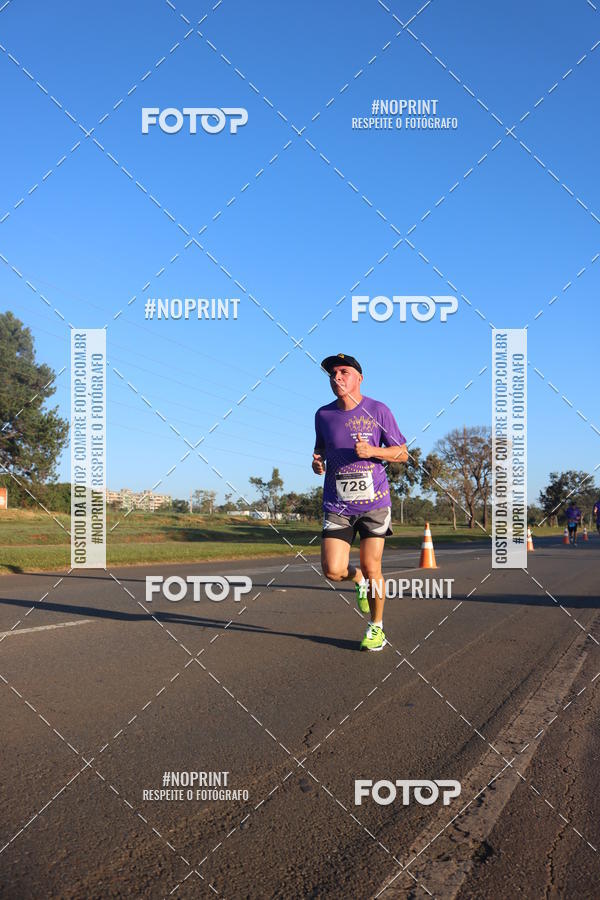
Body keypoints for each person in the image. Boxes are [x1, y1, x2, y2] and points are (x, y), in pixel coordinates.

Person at [312, 353, 407, 651]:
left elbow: (402, 453)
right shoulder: (323, 415)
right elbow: (319, 451)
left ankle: (376, 627)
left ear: (359, 377)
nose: (336, 378)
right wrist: (317, 464)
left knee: (371, 565)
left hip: (375, 503)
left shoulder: (378, 410)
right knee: (332, 570)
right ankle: (358, 581)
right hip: (337, 504)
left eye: (343, 372)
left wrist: (375, 453)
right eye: (332, 374)